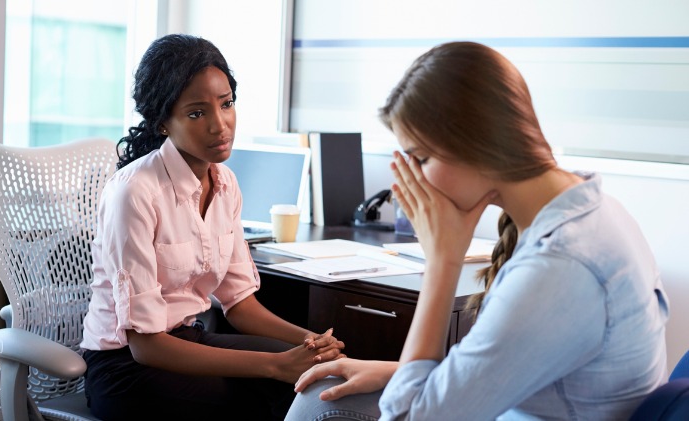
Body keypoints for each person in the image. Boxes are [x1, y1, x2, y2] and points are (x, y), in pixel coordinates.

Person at [286, 41, 669, 420]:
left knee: (314, 406)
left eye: (421, 159)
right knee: (320, 393)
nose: (414, 181)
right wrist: (396, 371)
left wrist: (442, 263)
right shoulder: (591, 208)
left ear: (477, 142)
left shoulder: (560, 267)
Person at [80, 34, 344, 421]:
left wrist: (308, 340)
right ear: (163, 123)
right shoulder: (135, 192)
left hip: (188, 341)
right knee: (267, 395)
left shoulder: (226, 184)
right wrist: (275, 365)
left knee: (322, 375)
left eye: (227, 104)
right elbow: (146, 347)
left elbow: (240, 305)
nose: (220, 125)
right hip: (126, 370)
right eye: (196, 113)